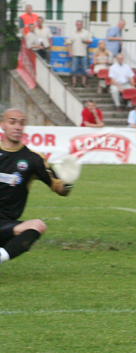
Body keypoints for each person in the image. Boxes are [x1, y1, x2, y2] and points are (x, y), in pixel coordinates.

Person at [0, 109, 72, 266]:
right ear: (3, 125)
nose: (18, 127)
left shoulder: (33, 159)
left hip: (5, 225)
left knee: (37, 226)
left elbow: (60, 188)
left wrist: (69, 181)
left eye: (21, 123)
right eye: (12, 122)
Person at [66, 20, 93, 88]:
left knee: (84, 69)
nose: (78, 25)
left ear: (82, 25)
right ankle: (74, 83)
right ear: (75, 25)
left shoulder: (86, 33)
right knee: (73, 69)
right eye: (77, 24)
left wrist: (85, 41)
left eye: (80, 24)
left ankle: (83, 83)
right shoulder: (72, 33)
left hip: (84, 54)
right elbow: (68, 43)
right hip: (75, 54)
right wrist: (70, 51)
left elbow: (90, 41)